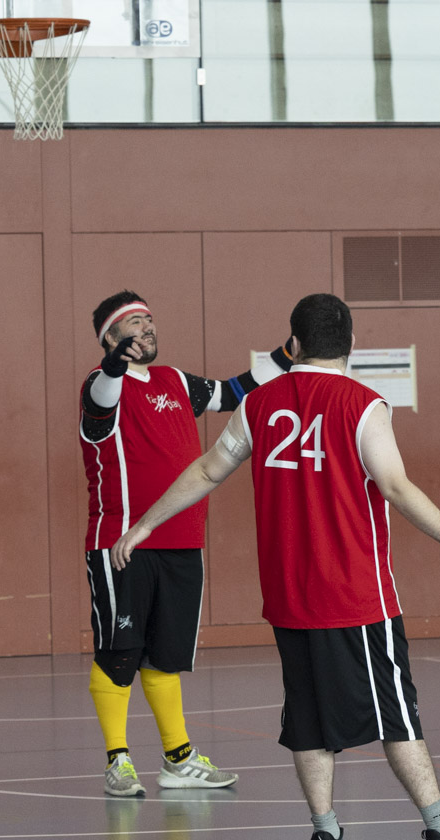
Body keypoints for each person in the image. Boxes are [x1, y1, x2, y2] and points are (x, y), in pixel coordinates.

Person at [111, 293, 440, 840]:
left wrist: (145, 523)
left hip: (289, 599)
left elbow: (206, 470)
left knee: (307, 721)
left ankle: (325, 837)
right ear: (352, 345)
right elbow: (396, 487)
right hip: (356, 597)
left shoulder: (259, 404)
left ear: (294, 344)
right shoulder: (364, 405)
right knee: (397, 716)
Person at [81, 290, 289, 797]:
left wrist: (289, 352)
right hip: (122, 544)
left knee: (165, 658)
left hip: (183, 543)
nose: (147, 326)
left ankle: (178, 760)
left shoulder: (175, 381)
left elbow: (237, 390)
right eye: (134, 321)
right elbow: (102, 396)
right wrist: (114, 363)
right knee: (120, 654)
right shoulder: (100, 385)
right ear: (110, 337)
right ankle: (117, 761)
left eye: (149, 318)